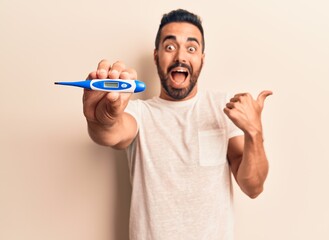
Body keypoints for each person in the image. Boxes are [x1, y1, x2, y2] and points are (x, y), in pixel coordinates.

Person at [83, 9, 272, 240]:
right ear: (156, 56)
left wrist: (254, 131)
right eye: (170, 47)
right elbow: (109, 133)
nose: (180, 57)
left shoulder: (223, 108)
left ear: (202, 58)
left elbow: (253, 187)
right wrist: (100, 120)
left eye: (191, 48)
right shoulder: (139, 112)